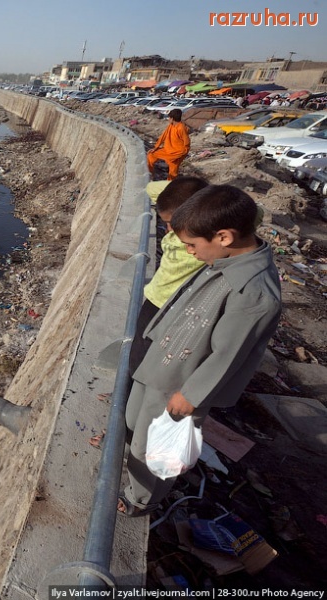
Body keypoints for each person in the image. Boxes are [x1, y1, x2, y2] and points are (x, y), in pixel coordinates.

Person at [118, 185, 281, 517]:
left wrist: (192, 394)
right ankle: (127, 463)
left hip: (178, 386)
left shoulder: (254, 292)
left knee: (158, 448)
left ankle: (140, 500)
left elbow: (228, 353)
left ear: (223, 236)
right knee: (136, 425)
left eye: (192, 245)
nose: (189, 251)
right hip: (162, 366)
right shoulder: (225, 260)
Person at [128, 177, 209, 376]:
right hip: (156, 299)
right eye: (167, 223)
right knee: (139, 347)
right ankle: (131, 386)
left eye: (172, 223)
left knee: (148, 350)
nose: (170, 229)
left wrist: (210, 199)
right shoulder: (186, 231)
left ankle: (132, 394)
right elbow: (151, 188)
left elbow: (253, 214)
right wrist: (204, 194)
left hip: (174, 304)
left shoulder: (199, 241)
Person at [147, 109, 191, 181]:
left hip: (177, 153)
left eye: (169, 118)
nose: (168, 119)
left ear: (172, 118)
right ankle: (149, 175)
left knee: (173, 171)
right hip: (167, 150)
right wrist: (156, 147)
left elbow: (187, 143)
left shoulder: (181, 128)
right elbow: (163, 136)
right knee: (151, 154)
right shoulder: (171, 125)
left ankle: (169, 185)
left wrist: (181, 154)